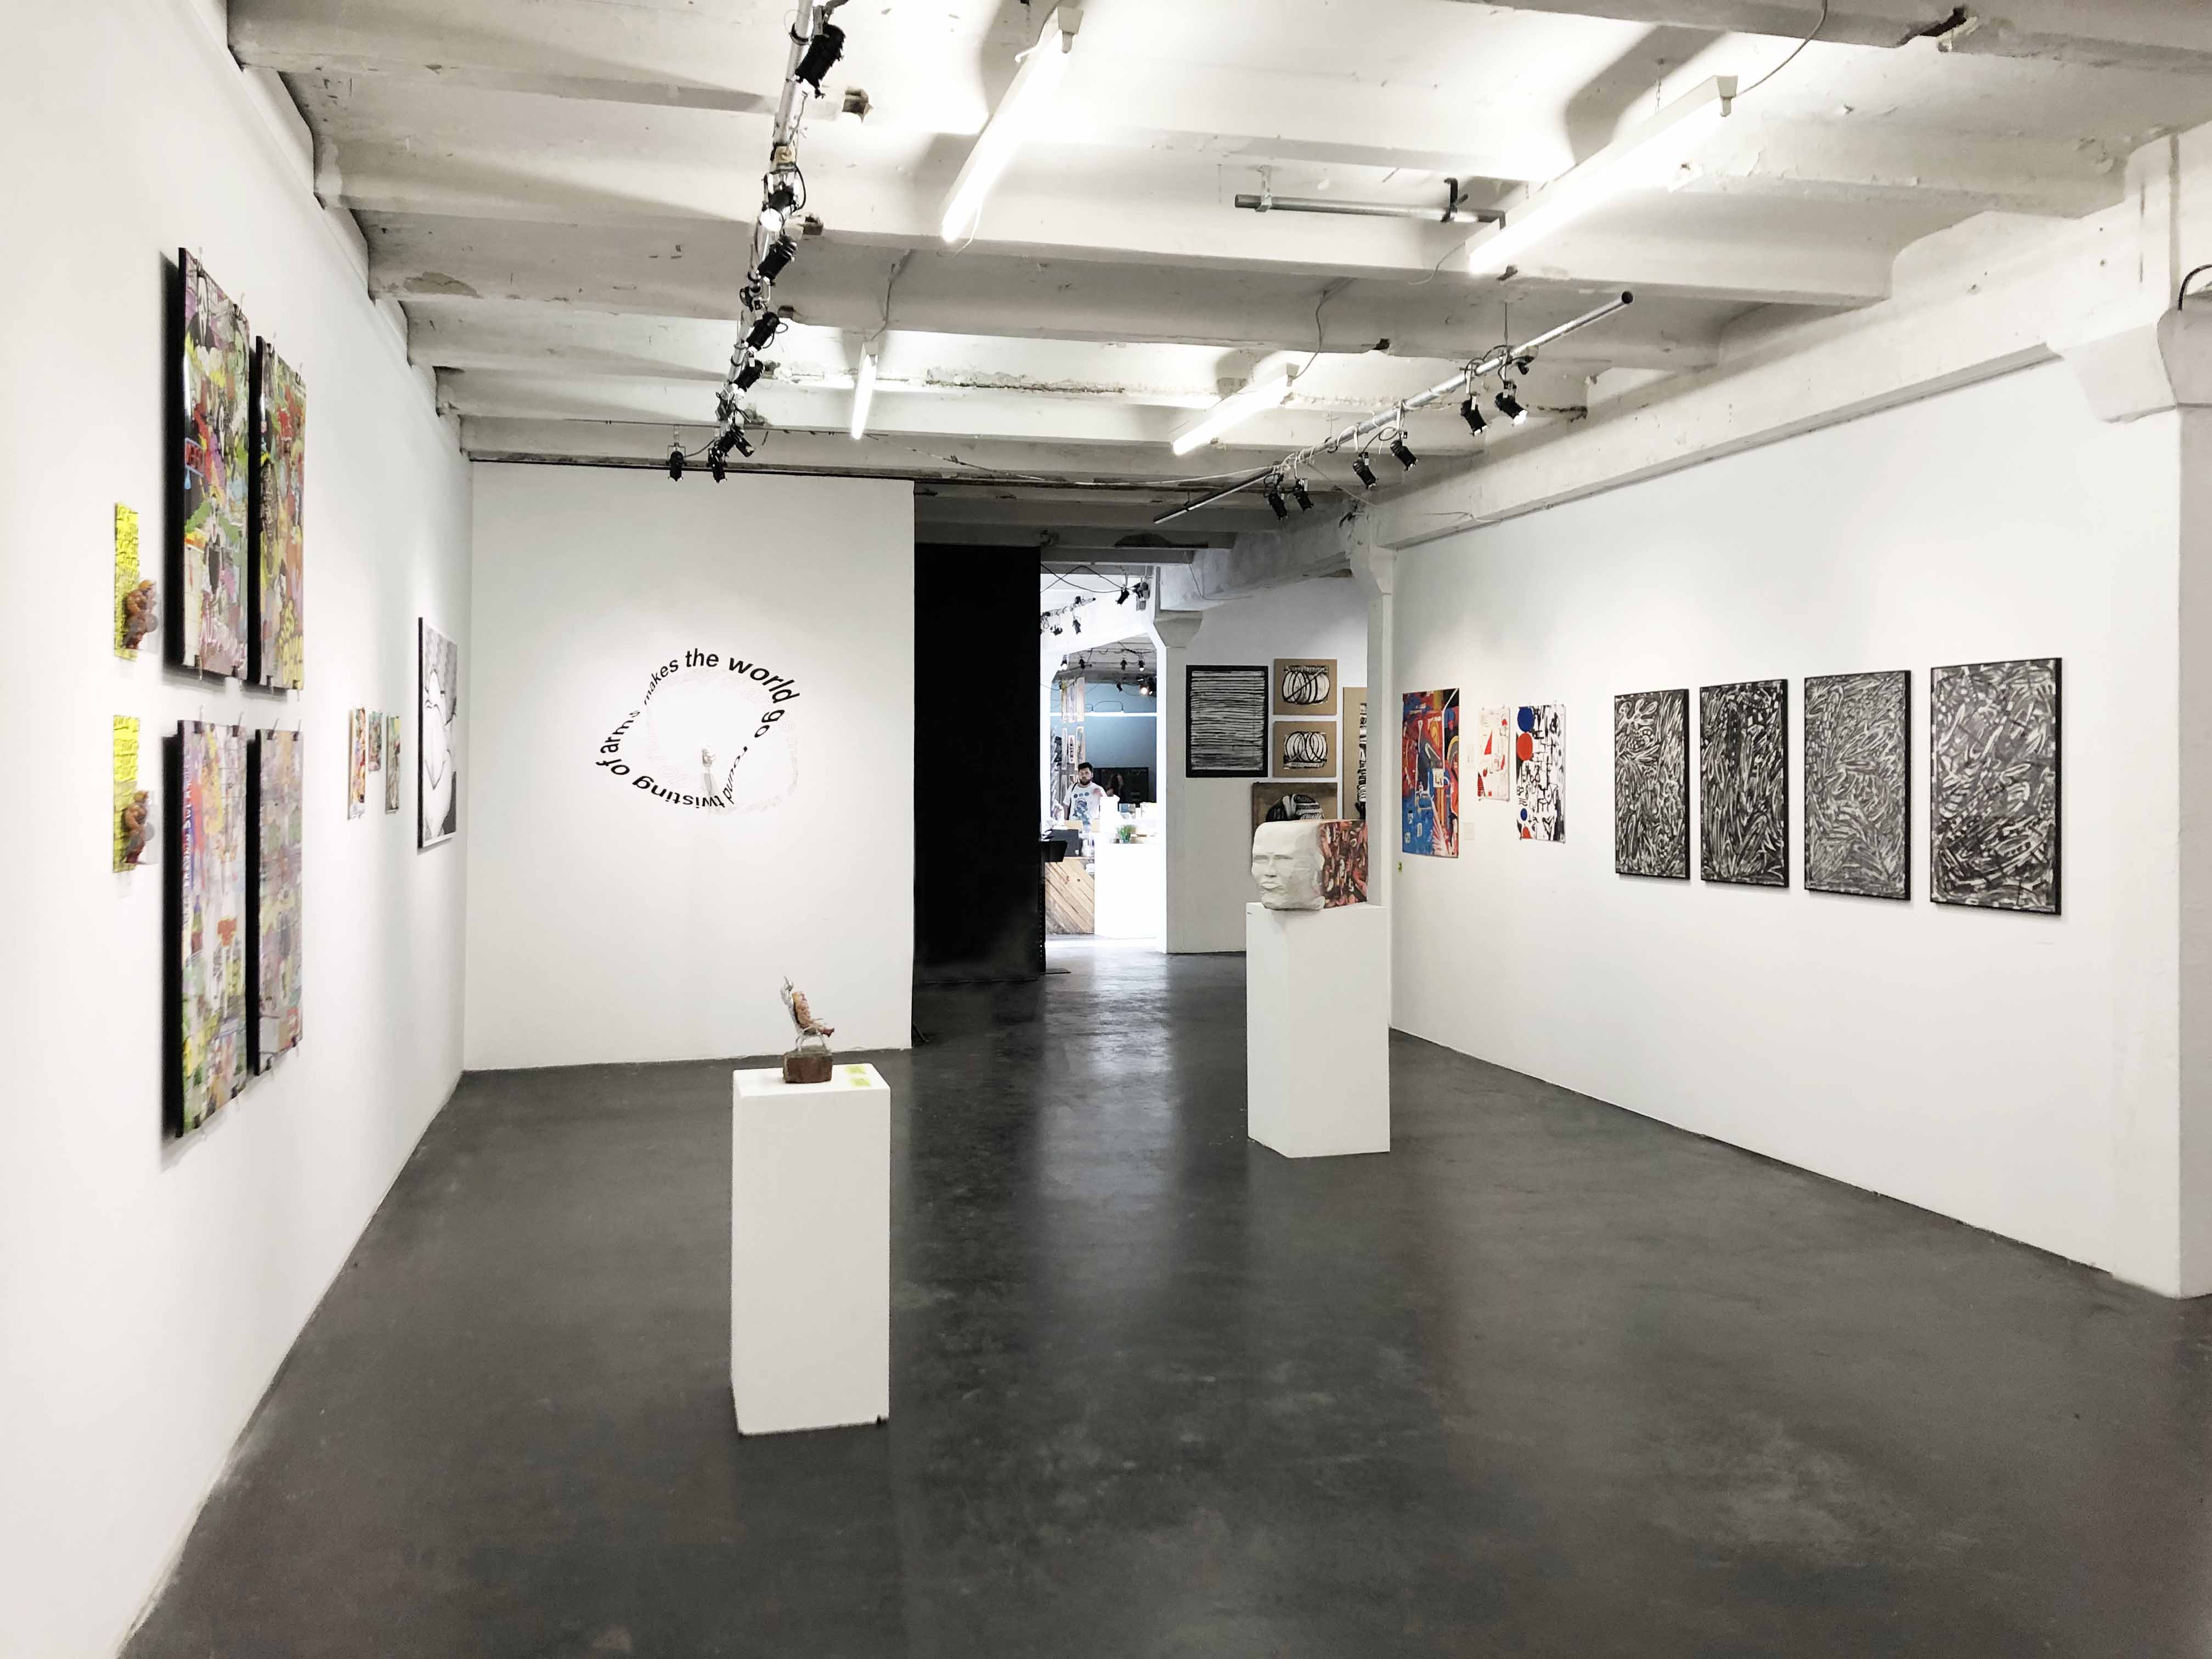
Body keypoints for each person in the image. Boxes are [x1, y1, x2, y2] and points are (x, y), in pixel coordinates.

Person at [1063, 761, 1108, 849]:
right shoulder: (1072, 788)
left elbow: (1108, 806)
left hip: (1091, 832)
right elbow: (1066, 805)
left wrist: (1102, 795)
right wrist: (1065, 821)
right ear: (1079, 775)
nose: (1084, 776)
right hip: (1074, 830)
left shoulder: (1098, 788)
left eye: (1087, 773)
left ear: (1092, 775)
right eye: (1082, 773)